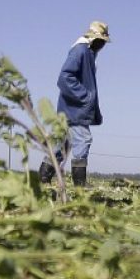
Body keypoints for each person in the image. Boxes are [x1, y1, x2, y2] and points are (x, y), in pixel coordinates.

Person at [39, 21, 111, 187]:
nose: (102, 45)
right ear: (93, 39)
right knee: (83, 139)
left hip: (69, 109)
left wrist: (93, 108)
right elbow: (65, 78)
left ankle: (43, 179)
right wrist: (85, 97)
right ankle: (80, 185)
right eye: (101, 41)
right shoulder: (80, 51)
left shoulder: (87, 54)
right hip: (74, 110)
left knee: (60, 145)